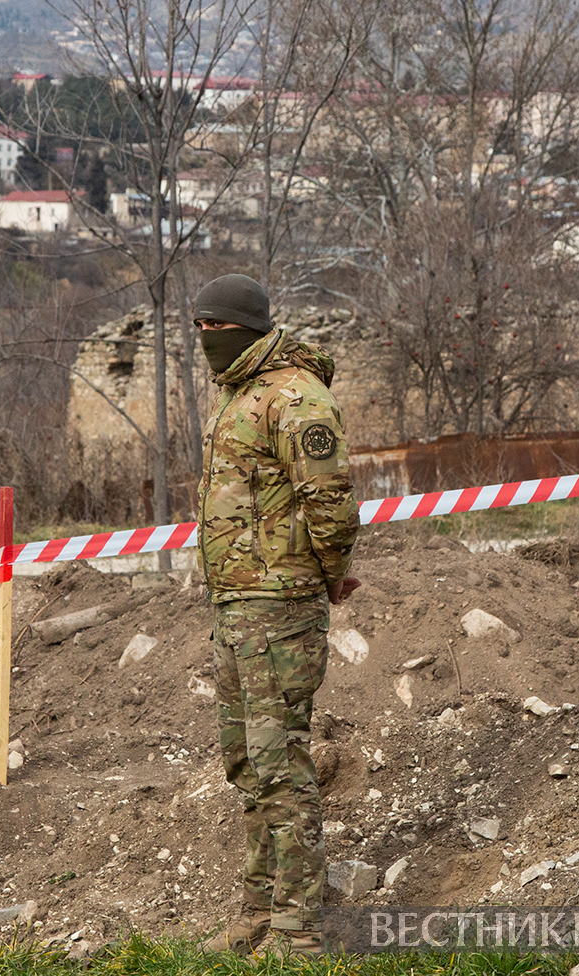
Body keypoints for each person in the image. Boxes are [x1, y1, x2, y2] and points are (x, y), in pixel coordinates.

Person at [193, 274, 360, 956]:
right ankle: (258, 911)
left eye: (216, 328)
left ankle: (300, 928)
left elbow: (331, 500)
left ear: (247, 327)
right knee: (246, 765)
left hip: (279, 608)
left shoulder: (296, 396)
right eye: (199, 329)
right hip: (235, 606)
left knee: (279, 762)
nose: (206, 339)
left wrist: (327, 575)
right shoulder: (237, 392)